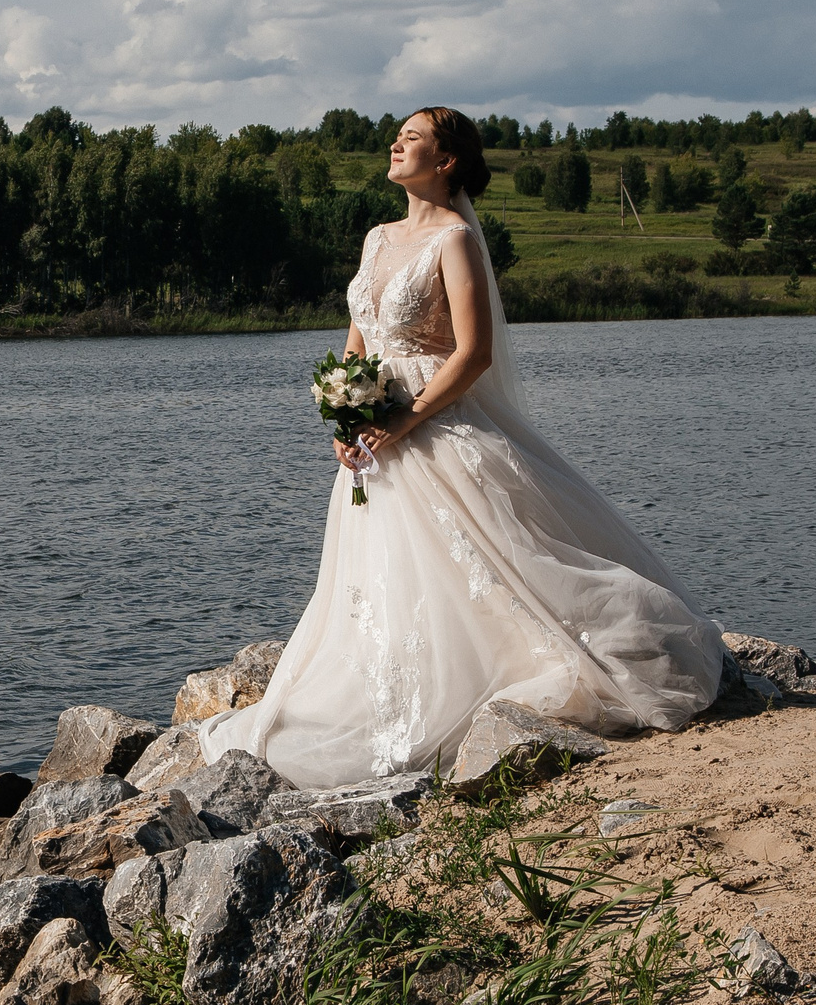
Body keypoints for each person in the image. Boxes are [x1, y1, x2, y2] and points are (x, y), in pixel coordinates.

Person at [199, 107, 727, 789]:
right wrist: (344, 408)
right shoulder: (377, 236)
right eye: (399, 136)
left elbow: (473, 352)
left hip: (432, 421)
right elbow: (359, 333)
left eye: (412, 138)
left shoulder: (455, 239)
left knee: (496, 558)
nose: (396, 144)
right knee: (383, 571)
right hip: (374, 432)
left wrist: (406, 420)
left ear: (446, 161)